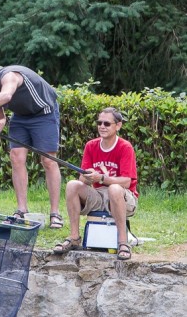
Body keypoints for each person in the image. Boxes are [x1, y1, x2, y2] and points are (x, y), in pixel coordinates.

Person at [0, 63, 63, 229]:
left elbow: (6, 96)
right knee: (16, 156)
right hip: (21, 117)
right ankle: (21, 210)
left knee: (48, 161)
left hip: (44, 113)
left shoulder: (10, 76)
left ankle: (55, 213)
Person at [52, 107, 138, 260]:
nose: (102, 126)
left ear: (118, 126)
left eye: (107, 123)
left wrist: (102, 178)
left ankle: (123, 242)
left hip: (124, 198)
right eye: (99, 123)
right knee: (72, 185)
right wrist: (87, 176)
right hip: (98, 196)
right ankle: (74, 237)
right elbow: (82, 180)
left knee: (115, 189)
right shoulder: (91, 145)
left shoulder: (125, 147)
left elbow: (126, 181)